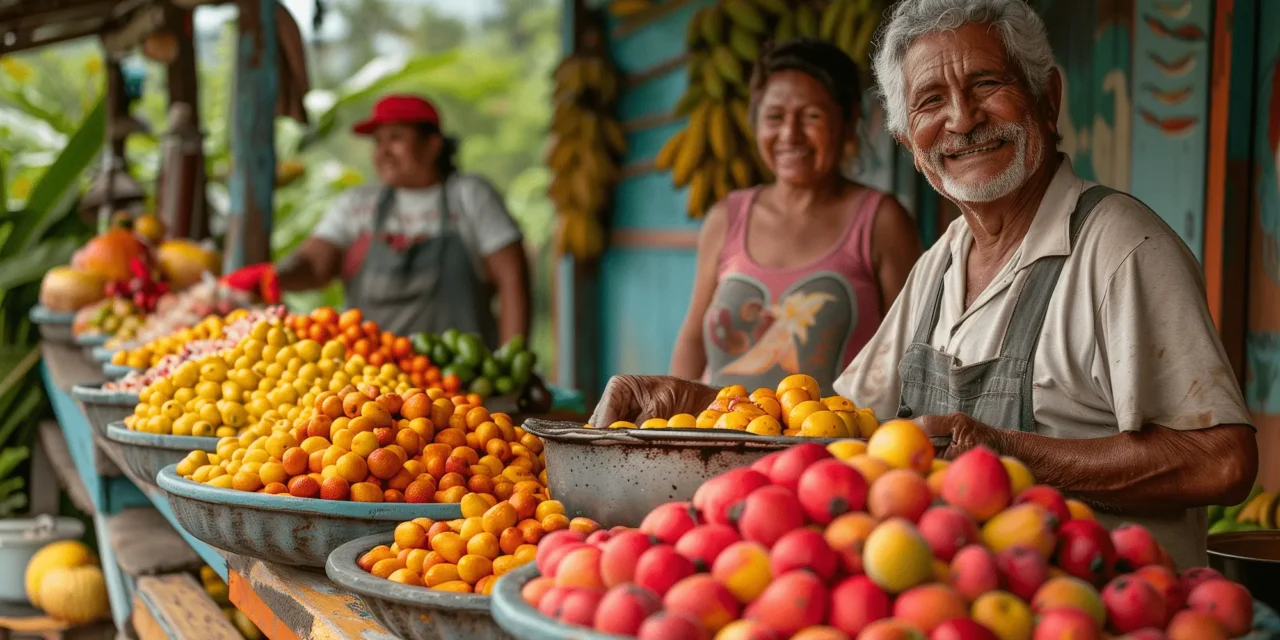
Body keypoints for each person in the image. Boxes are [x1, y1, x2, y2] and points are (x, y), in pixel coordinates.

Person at [589, 0, 1258, 571]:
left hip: (1101, 612)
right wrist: (699, 404)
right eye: (932, 102)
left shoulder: (1120, 247)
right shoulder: (943, 262)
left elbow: (1222, 461)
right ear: (910, 141)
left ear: (1047, 99)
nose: (963, 119)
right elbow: (838, 427)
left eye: (987, 83)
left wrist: (1008, 452)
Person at [670, 38, 922, 395]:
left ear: (849, 123)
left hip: (834, 446)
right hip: (716, 441)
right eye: (775, 117)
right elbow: (693, 337)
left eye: (812, 116)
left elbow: (912, 353)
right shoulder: (727, 216)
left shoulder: (881, 221)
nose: (790, 134)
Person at [226, 94, 530, 345]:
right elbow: (316, 263)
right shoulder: (358, 206)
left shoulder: (469, 197)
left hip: (466, 387)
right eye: (378, 141)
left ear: (433, 144)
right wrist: (275, 276)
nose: (384, 151)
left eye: (396, 138)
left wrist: (512, 363)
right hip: (377, 386)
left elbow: (512, 278)